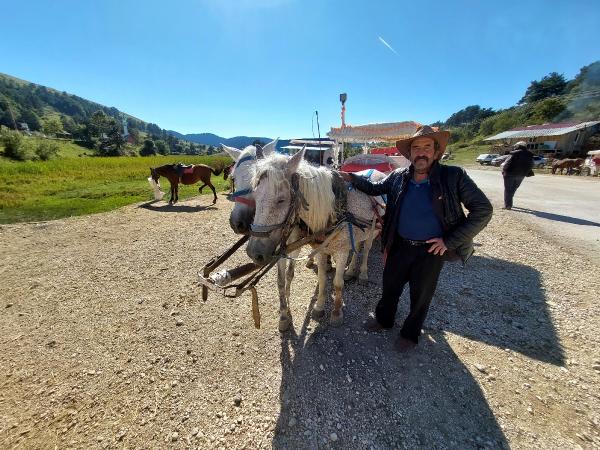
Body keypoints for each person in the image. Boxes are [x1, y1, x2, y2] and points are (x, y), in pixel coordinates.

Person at [339, 125, 492, 351]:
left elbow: (483, 210)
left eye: (427, 147)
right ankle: (384, 319)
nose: (421, 152)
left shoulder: (454, 176)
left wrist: (449, 242)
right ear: (409, 154)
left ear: (436, 152)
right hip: (399, 244)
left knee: (421, 295)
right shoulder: (399, 176)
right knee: (390, 286)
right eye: (416, 147)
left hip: (431, 250)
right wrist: (350, 177)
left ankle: (410, 334)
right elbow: (374, 188)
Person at [501, 141, 534, 210]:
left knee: (508, 189)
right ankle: (509, 202)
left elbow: (506, 163)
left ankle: (508, 205)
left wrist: (503, 170)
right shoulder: (530, 154)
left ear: (518, 146)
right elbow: (532, 165)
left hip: (510, 173)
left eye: (515, 146)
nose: (515, 147)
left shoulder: (514, 153)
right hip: (521, 175)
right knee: (514, 188)